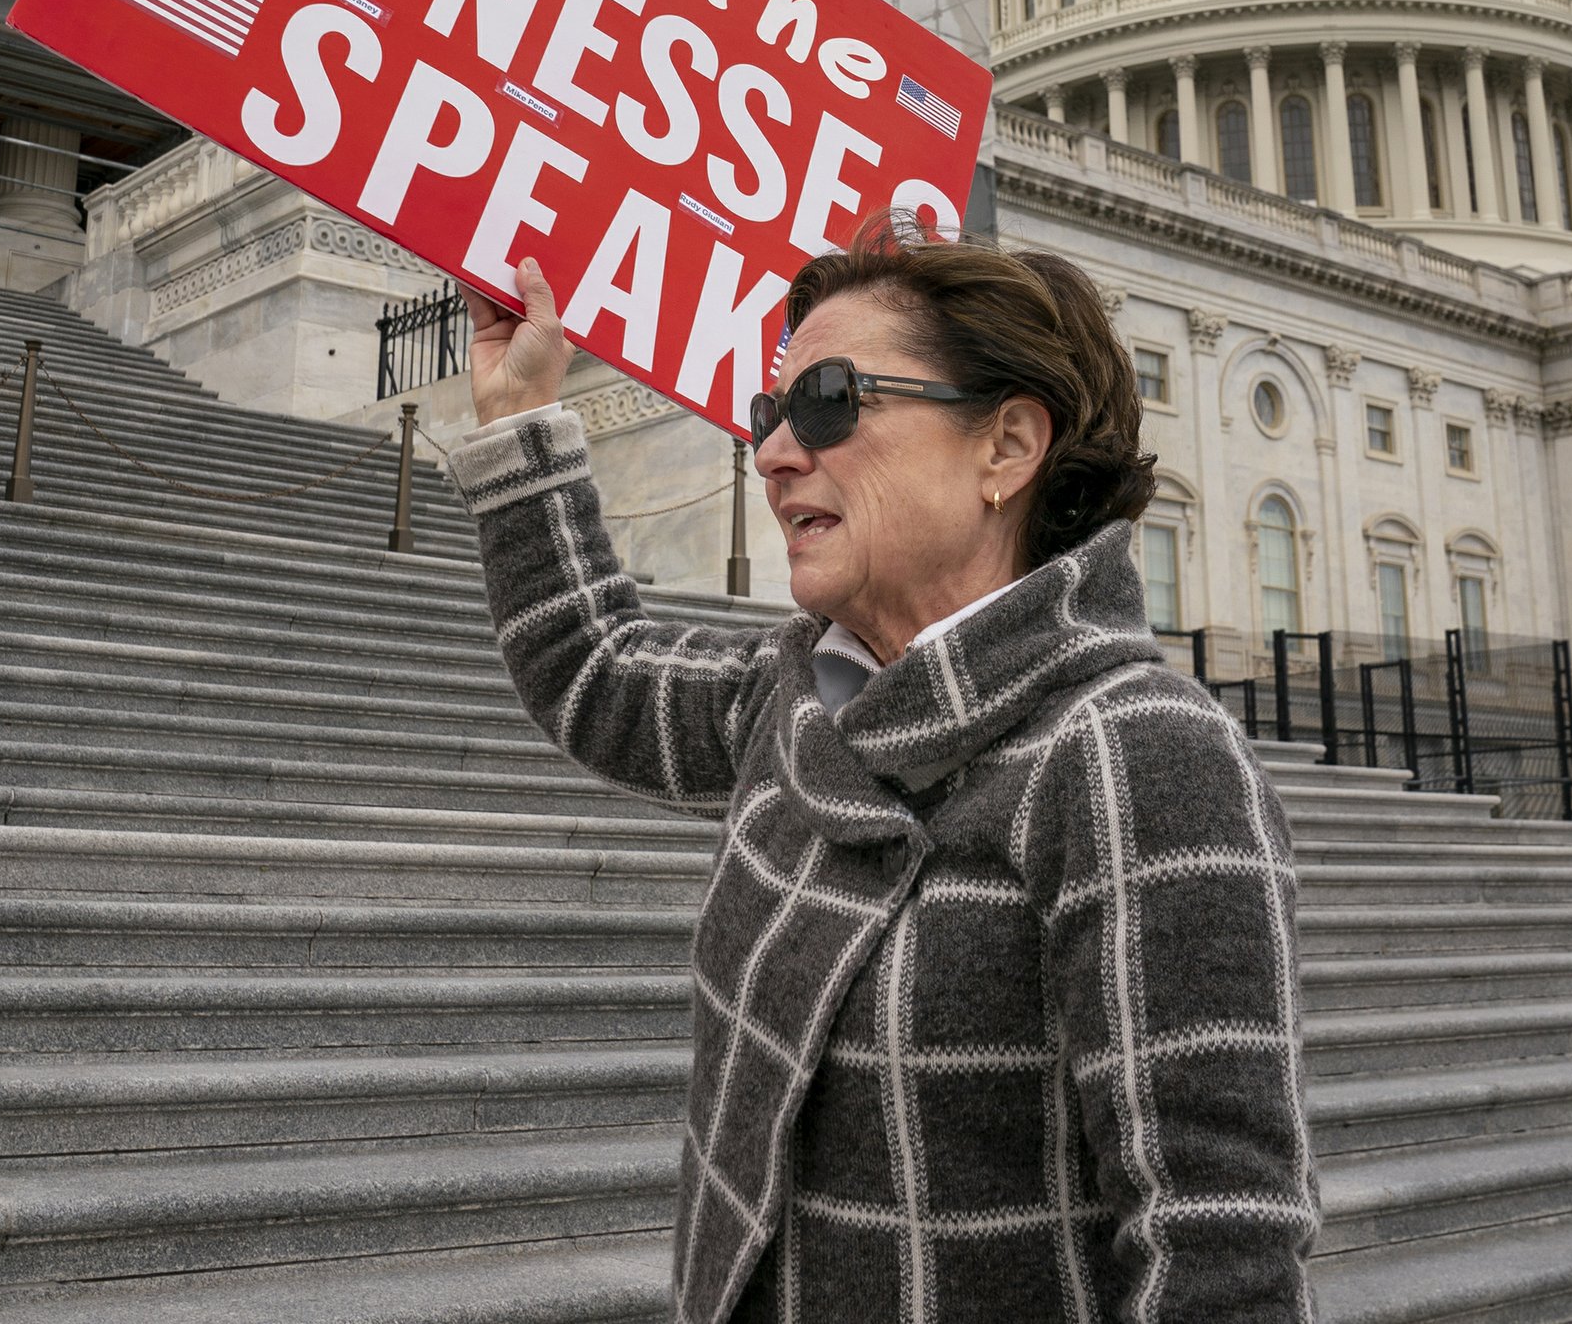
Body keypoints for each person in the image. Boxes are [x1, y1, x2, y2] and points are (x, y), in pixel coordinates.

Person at [450, 220, 1317, 1323]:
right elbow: (597, 677)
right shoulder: (802, 692)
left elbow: (1218, 1251)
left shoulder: (1138, 751)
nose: (769, 453)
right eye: (772, 413)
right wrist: (522, 416)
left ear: (1006, 447)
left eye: (828, 402)